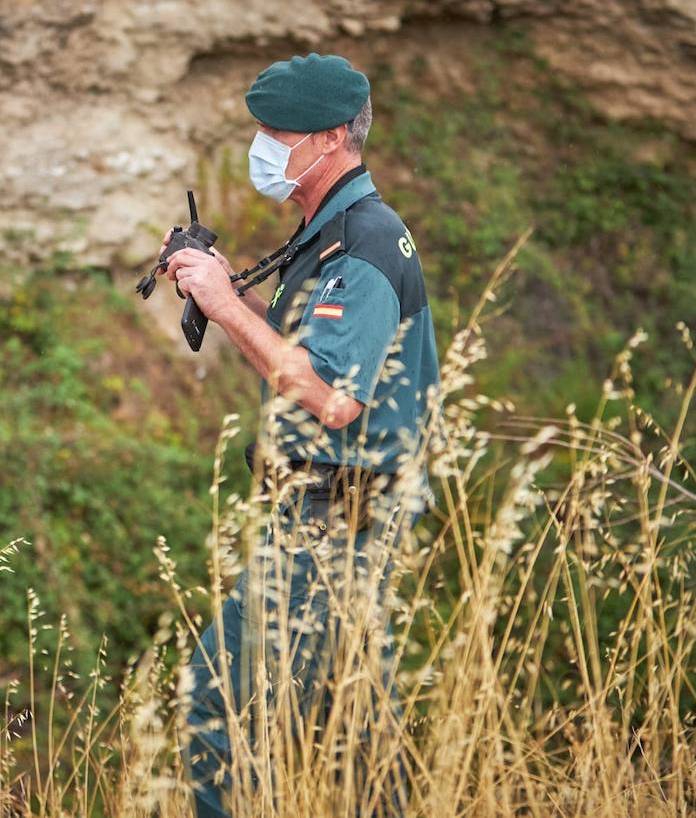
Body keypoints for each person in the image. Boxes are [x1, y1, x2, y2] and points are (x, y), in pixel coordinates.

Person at [160, 53, 441, 817]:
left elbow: (334, 396)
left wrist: (223, 304)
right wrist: (221, 281)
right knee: (352, 742)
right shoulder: (329, 233)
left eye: (276, 132)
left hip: (335, 524)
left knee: (217, 709)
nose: (263, 147)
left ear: (330, 140)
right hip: (334, 518)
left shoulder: (366, 244)